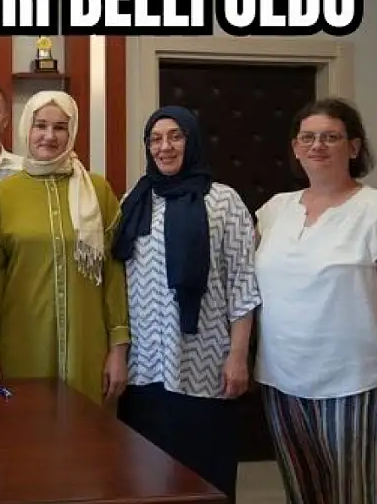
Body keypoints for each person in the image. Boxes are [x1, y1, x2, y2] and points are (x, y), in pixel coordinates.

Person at [255, 98, 377, 504]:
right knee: (304, 493)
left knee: (358, 493)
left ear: (354, 147)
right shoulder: (274, 210)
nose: (317, 145)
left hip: (358, 383)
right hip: (284, 381)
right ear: (295, 148)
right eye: (308, 137)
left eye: (331, 137)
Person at [111, 106, 261, 503]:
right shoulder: (133, 201)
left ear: (191, 141)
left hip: (204, 366)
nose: (165, 147)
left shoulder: (224, 201)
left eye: (175, 136)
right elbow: (117, 283)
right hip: (144, 368)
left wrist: (238, 356)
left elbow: (243, 284)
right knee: (145, 481)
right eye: (155, 139)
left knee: (202, 481)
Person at [0, 90, 128, 407]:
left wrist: (118, 349)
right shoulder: (1, 197)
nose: (49, 136)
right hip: (20, 349)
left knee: (88, 431)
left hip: (89, 350)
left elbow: (114, 275)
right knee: (23, 425)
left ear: (71, 133)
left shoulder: (98, 192)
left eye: (60, 127)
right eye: (40, 126)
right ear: (26, 129)